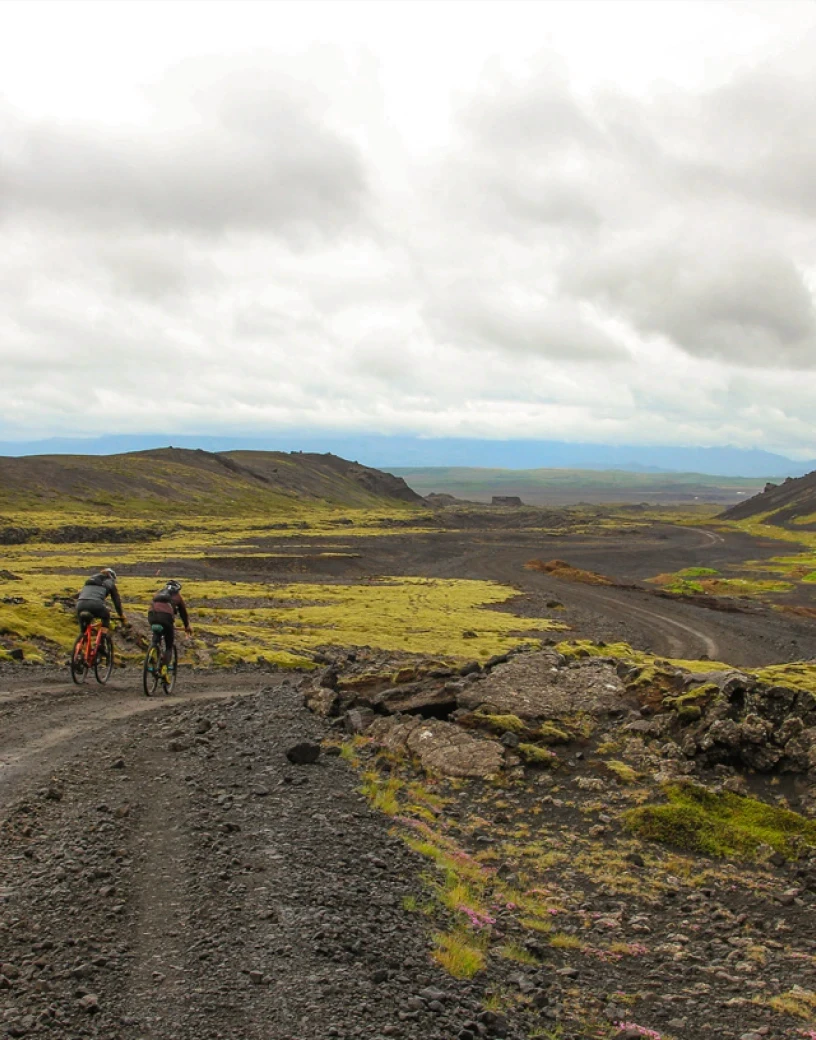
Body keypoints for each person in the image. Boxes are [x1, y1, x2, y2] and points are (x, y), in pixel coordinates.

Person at [148, 579, 191, 679]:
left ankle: (153, 652)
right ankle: (164, 670)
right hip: (166, 618)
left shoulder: (158, 593)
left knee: (156, 635)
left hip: (152, 616)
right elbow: (183, 613)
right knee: (169, 646)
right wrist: (187, 626)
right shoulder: (177, 596)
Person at [75, 567, 126, 635]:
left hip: (80, 605)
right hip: (95, 604)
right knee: (106, 616)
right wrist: (121, 615)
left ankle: (80, 642)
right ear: (112, 577)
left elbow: (80, 594)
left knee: (83, 632)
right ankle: (102, 640)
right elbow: (116, 601)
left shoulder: (89, 580)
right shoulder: (110, 583)